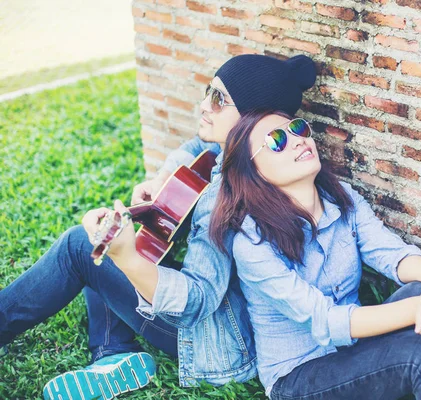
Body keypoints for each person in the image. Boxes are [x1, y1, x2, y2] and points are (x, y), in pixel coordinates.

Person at [0, 54, 317, 400]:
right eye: (208, 91)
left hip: (219, 345)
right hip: (233, 325)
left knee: (80, 245)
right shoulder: (251, 158)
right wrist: (164, 176)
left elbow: (197, 299)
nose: (204, 106)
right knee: (109, 236)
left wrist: (130, 259)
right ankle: (113, 353)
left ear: (251, 119)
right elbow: (197, 146)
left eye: (219, 100)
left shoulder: (225, 195)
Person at [209, 110, 421, 400]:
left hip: (355, 347)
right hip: (299, 377)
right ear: (253, 170)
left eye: (298, 128)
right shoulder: (252, 242)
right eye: (276, 141)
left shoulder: (342, 199)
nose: (297, 140)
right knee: (419, 348)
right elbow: (325, 321)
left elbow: (392, 254)